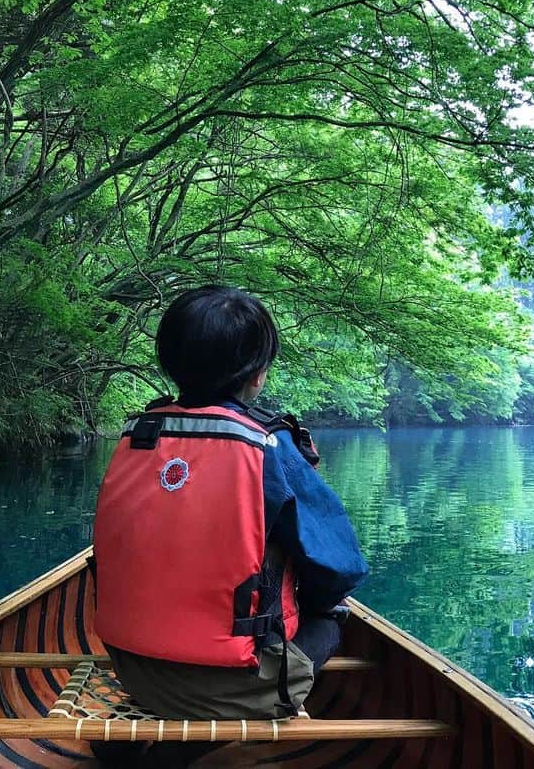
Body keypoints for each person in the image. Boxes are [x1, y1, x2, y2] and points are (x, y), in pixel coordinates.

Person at [90, 285, 369, 767]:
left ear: (168, 362)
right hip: (240, 690)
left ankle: (158, 746)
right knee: (331, 614)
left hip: (132, 670)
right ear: (258, 376)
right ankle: (192, 751)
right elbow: (338, 567)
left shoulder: (138, 436)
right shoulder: (268, 447)